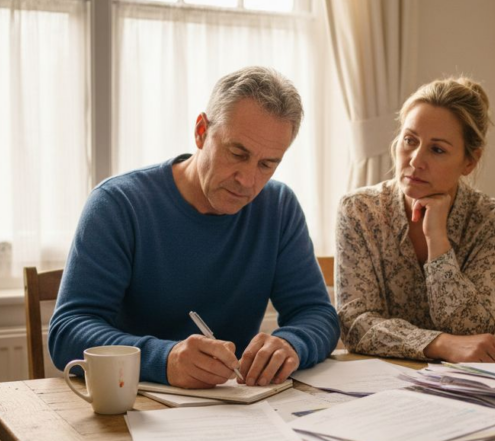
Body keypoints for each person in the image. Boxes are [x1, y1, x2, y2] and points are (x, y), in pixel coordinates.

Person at [50, 66, 339, 389]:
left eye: (266, 164)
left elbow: (317, 313)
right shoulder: (118, 205)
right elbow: (68, 331)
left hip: (235, 412)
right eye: (237, 153)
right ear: (201, 131)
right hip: (132, 408)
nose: (247, 180)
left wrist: (292, 345)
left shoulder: (279, 207)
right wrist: (165, 359)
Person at [335, 77, 495, 362]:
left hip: (462, 387)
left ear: (469, 162)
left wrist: (438, 241)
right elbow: (354, 324)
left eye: (437, 149)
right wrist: (440, 344)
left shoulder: (493, 220)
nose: (415, 160)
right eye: (410, 140)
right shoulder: (360, 210)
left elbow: (474, 330)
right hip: (374, 384)